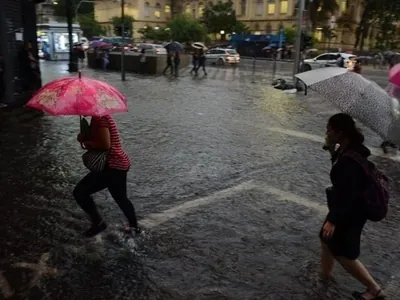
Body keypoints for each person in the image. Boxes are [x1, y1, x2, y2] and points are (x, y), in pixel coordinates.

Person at [321, 113, 386, 300]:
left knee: (343, 253)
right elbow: (343, 179)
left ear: (340, 132)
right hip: (349, 208)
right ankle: (324, 276)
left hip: (350, 211)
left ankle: (375, 290)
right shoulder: (351, 149)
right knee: (325, 240)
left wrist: (333, 221)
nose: (326, 132)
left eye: (329, 129)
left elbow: (348, 194)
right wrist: (333, 152)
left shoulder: (350, 159)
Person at [74, 115, 141, 237]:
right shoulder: (96, 118)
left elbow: (105, 145)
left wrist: (86, 141)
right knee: (120, 198)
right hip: (117, 164)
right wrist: (84, 140)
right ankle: (134, 228)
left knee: (80, 192)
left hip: (112, 165)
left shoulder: (100, 119)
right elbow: (100, 143)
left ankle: (98, 223)